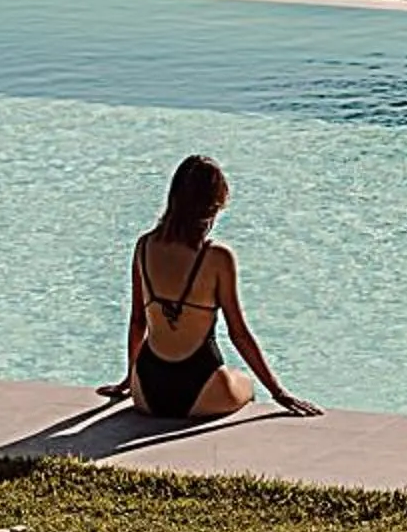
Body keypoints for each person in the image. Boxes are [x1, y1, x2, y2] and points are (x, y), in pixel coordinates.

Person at [117, 155, 320, 422]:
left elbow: (137, 323)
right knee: (244, 383)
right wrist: (279, 393)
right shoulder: (217, 257)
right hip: (202, 390)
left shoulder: (144, 246)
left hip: (147, 390)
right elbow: (239, 334)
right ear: (213, 206)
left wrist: (128, 381)